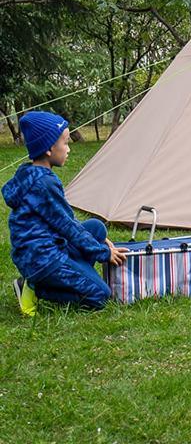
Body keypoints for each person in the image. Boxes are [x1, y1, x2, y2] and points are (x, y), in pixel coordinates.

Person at [2, 111, 128, 316]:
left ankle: (73, 275)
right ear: (50, 148)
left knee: (96, 228)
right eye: (65, 143)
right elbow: (68, 228)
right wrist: (103, 253)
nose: (69, 149)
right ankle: (35, 288)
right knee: (100, 295)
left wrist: (101, 241)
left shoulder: (30, 174)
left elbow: (67, 222)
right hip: (42, 259)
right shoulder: (44, 184)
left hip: (45, 247)